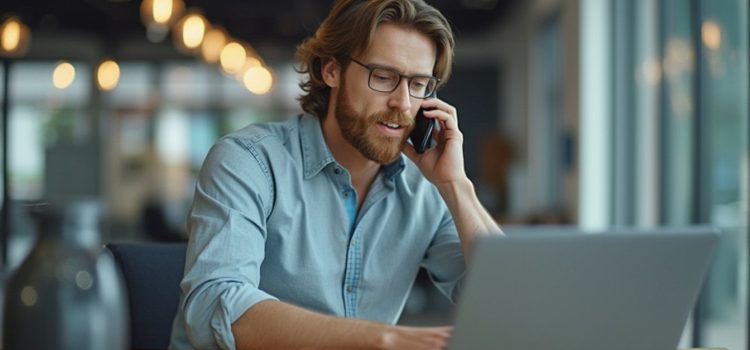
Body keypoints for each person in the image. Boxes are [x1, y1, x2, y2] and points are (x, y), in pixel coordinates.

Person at [169, 0, 502, 349]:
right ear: (331, 71)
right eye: (384, 77)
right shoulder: (248, 161)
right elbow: (214, 305)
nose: (403, 104)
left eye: (418, 84)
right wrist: (383, 339)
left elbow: (510, 302)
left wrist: (456, 185)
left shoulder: (427, 189)